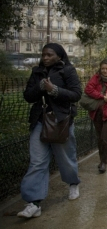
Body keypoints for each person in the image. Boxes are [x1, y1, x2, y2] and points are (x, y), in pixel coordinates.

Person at [18, 43, 81, 218]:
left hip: (60, 120)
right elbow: (27, 97)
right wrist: (39, 88)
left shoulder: (67, 71)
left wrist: (53, 90)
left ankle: (73, 183)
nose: (45, 58)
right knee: (37, 161)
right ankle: (33, 202)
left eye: (49, 55)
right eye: (43, 55)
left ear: (59, 56)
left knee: (66, 158)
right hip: (40, 120)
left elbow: (76, 94)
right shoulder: (37, 72)